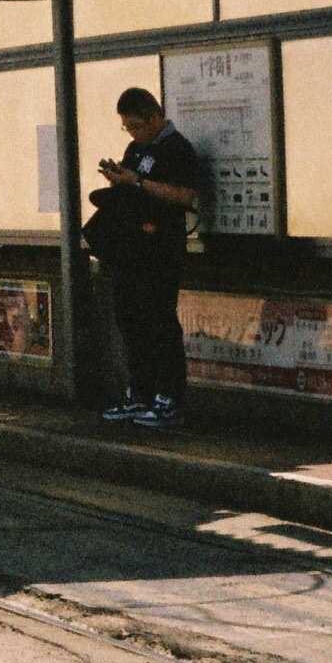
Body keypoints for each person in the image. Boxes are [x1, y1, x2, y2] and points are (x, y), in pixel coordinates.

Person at [92, 87, 204, 429]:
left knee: (159, 321)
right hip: (131, 246)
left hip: (161, 248)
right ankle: (139, 393)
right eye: (127, 128)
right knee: (130, 320)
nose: (133, 133)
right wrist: (119, 179)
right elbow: (130, 185)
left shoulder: (177, 149)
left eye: (137, 126)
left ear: (156, 116)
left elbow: (186, 195)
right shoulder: (135, 149)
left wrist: (138, 182)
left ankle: (169, 398)